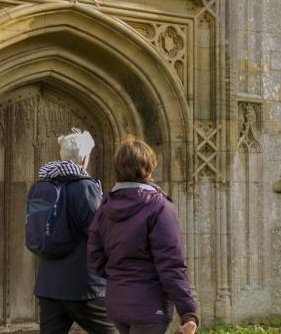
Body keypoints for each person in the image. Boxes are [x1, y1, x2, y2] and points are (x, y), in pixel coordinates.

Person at [87, 136, 199, 334]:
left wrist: (119, 276)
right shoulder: (160, 207)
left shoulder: (105, 207)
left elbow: (95, 255)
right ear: (148, 167)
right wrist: (188, 311)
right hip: (149, 307)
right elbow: (171, 265)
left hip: (117, 304)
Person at [32, 128, 117, 334]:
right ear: (85, 158)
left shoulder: (44, 184)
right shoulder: (84, 187)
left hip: (48, 284)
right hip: (83, 286)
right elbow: (99, 233)